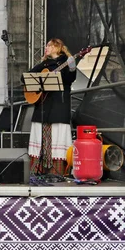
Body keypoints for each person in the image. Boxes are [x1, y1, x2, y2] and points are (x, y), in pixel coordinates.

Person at [27, 38, 77, 176]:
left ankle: (57, 170)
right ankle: (39, 169)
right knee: (41, 135)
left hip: (58, 105)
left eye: (49, 45)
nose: (46, 47)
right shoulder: (45, 63)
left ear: (57, 47)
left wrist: (72, 68)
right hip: (43, 105)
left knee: (57, 135)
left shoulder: (65, 61)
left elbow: (70, 79)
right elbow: (25, 77)